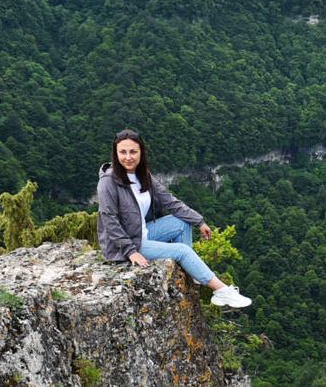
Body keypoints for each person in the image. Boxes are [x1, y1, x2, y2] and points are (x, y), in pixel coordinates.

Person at [96, 129, 252, 308]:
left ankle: (192, 271)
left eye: (133, 151)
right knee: (181, 251)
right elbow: (109, 220)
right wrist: (131, 252)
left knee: (181, 222)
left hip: (141, 232)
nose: (128, 157)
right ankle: (221, 291)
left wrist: (198, 221)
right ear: (115, 154)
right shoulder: (108, 182)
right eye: (122, 152)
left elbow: (169, 201)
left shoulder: (142, 175)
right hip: (126, 244)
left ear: (141, 153)